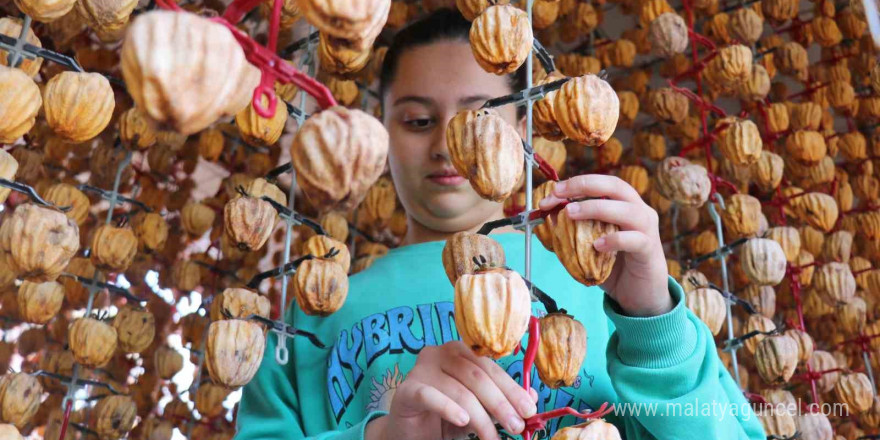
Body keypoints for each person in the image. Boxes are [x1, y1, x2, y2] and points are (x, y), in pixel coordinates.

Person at [235, 9, 765, 440]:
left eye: (481, 118)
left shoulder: (614, 293)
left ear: (523, 127)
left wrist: (652, 325)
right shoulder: (309, 318)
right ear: (381, 135)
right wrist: (382, 437)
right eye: (418, 121)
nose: (447, 145)